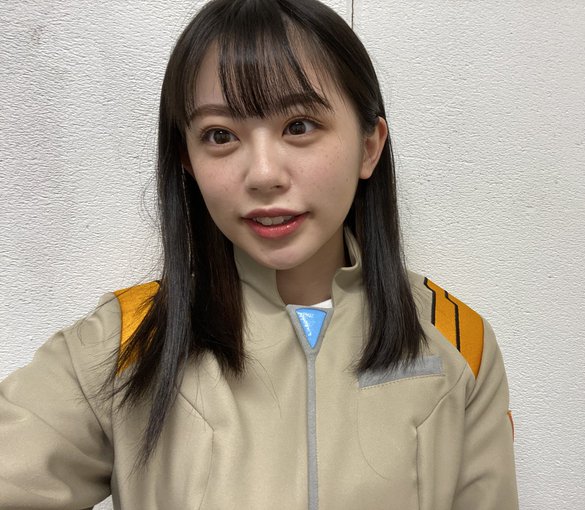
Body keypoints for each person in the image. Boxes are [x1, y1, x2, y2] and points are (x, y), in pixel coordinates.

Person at [0, 0, 518, 508]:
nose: (264, 174)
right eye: (220, 135)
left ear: (368, 147)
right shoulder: (125, 343)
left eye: (299, 126)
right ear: (188, 160)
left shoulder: (458, 345)